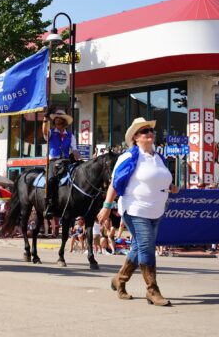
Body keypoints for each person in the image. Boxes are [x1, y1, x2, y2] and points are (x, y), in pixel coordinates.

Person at [98, 117, 179, 306]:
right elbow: (114, 183)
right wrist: (106, 207)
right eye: (144, 131)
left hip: (157, 210)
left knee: (138, 248)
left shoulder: (158, 157)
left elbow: (161, 181)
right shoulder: (128, 157)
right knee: (147, 247)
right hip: (135, 209)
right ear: (135, 137)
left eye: (150, 131)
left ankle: (120, 280)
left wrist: (172, 187)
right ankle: (152, 290)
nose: (149, 134)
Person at [42, 109, 80, 219]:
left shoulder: (70, 136)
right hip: (54, 162)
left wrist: (79, 159)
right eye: (56, 122)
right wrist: (45, 119)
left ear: (64, 123)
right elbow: (44, 131)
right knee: (51, 180)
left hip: (66, 161)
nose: (57, 124)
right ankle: (49, 204)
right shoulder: (50, 133)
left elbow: (75, 150)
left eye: (59, 122)